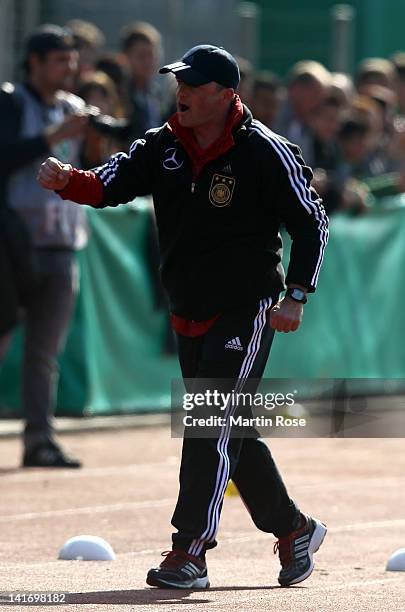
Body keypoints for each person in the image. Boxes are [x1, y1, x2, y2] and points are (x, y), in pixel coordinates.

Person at [38, 44, 329, 587]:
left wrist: (296, 294)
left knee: (210, 425)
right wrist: (67, 180)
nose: (183, 94)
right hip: (187, 307)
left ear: (225, 95)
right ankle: (294, 530)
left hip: (248, 307)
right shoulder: (163, 144)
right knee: (226, 429)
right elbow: (109, 183)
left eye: (195, 87)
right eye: (181, 85)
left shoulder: (266, 151)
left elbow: (313, 221)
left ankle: (190, 551)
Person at [0, 24, 89, 468]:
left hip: (61, 245)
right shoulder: (10, 101)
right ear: (33, 62)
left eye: (71, 58)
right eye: (59, 59)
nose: (69, 67)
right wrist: (52, 138)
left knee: (44, 353)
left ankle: (39, 439)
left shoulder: (75, 108)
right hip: (12, 246)